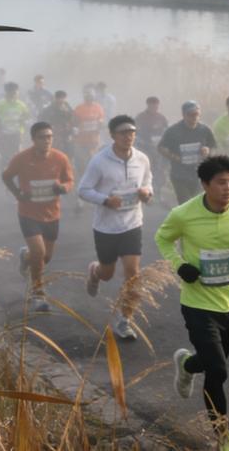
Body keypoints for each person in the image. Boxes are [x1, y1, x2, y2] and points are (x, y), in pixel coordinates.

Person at [157, 155, 229, 450]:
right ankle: (224, 439)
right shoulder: (184, 213)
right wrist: (179, 265)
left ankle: (187, 364)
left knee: (209, 363)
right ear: (205, 185)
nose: (228, 187)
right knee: (218, 371)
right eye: (221, 182)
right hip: (198, 304)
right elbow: (163, 239)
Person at [78, 114, 154, 339]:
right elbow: (83, 190)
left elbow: (149, 181)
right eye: (123, 132)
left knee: (133, 273)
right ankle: (95, 271)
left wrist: (146, 192)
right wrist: (105, 200)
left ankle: (124, 320)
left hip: (132, 223)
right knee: (108, 273)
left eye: (132, 132)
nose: (128, 136)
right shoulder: (99, 160)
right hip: (106, 227)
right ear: (112, 135)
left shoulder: (142, 158)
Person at [2, 121, 75, 312]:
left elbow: (69, 180)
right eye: (42, 137)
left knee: (46, 257)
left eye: (50, 137)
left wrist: (63, 188)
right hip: (28, 213)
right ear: (33, 139)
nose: (47, 140)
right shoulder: (22, 158)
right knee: (39, 253)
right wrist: (17, 193)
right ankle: (38, 293)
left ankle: (25, 257)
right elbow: (6, 176)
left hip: (52, 214)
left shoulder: (60, 158)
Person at [158, 101, 217, 205]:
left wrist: (207, 150)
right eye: (191, 114)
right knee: (186, 203)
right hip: (179, 175)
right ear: (184, 115)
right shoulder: (173, 130)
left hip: (199, 174)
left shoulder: (204, 129)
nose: (194, 117)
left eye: (197, 114)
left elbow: (213, 146)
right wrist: (174, 157)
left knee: (198, 203)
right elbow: (161, 147)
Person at [134, 96, 170, 198]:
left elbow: (166, 131)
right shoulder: (140, 117)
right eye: (152, 106)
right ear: (148, 105)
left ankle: (157, 190)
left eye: (156, 106)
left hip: (158, 148)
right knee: (147, 168)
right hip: (145, 147)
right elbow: (135, 133)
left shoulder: (161, 117)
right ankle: (143, 189)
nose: (155, 108)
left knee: (159, 169)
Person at [0, 81, 31, 162]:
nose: (15, 94)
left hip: (17, 135)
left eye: (16, 92)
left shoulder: (21, 105)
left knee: (17, 157)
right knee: (4, 158)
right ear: (7, 93)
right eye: (12, 92)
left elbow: (27, 117)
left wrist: (23, 123)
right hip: (4, 135)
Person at [72, 87, 106, 177]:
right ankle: (82, 176)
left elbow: (101, 121)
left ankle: (95, 176)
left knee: (94, 159)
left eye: (91, 96)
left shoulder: (98, 107)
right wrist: (75, 131)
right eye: (87, 96)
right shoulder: (79, 108)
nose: (89, 98)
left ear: (94, 97)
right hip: (82, 140)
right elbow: (74, 123)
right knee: (83, 160)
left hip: (94, 140)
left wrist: (100, 124)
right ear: (84, 97)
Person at [39, 90, 75, 157]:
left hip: (66, 134)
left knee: (68, 152)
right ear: (55, 98)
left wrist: (70, 131)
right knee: (53, 152)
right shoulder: (49, 109)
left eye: (62, 98)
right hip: (54, 134)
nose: (61, 100)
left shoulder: (68, 108)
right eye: (59, 98)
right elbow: (42, 120)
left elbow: (73, 121)